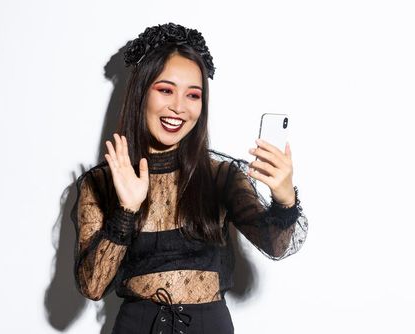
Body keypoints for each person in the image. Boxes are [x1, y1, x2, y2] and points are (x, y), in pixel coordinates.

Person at [72, 22, 308, 334]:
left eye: (193, 95)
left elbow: (277, 246)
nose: (179, 107)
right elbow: (92, 286)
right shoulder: (101, 183)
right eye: (166, 90)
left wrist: (284, 199)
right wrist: (126, 212)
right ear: (141, 93)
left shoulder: (220, 175)